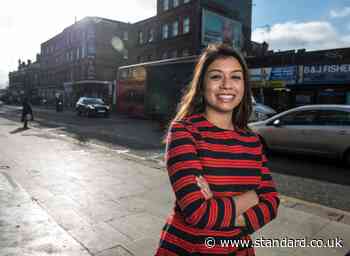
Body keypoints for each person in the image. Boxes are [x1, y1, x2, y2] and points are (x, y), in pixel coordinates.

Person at [155, 43, 279, 255]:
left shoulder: (253, 140)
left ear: (244, 85)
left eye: (235, 77)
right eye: (216, 76)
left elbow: (272, 202)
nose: (226, 85)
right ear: (202, 84)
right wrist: (249, 199)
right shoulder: (185, 131)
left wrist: (225, 211)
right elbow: (198, 213)